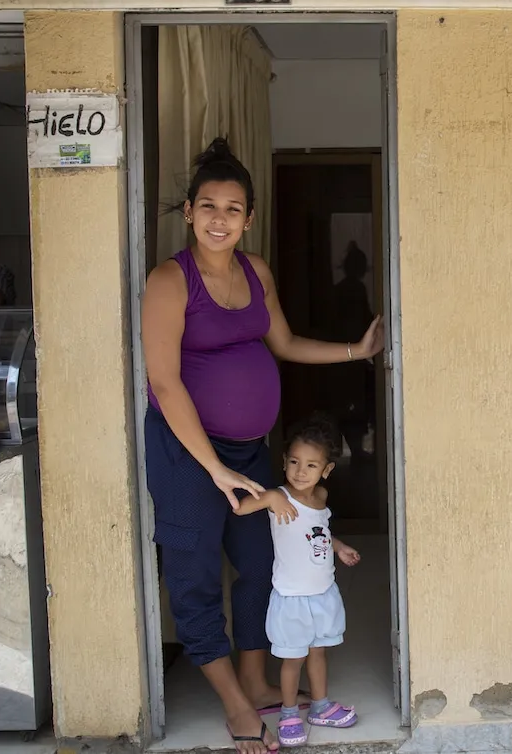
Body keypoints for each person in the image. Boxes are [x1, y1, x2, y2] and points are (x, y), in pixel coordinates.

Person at [141, 137, 383, 754]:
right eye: (207, 206)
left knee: (260, 567)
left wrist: (358, 351)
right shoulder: (170, 281)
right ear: (189, 211)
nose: (219, 219)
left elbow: (285, 343)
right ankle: (232, 701)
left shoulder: (257, 272)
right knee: (194, 574)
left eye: (233, 208)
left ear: (249, 217)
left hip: (250, 450)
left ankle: (254, 675)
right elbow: (165, 384)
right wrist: (215, 469)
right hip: (187, 453)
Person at [234, 413, 361, 747]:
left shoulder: (320, 498)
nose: (300, 472)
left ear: (327, 470)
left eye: (311, 466)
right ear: (284, 462)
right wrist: (270, 497)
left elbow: (317, 532)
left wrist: (338, 547)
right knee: (293, 660)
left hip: (322, 593)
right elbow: (240, 508)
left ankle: (320, 706)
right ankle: (289, 713)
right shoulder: (279, 497)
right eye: (294, 462)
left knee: (319, 653)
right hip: (291, 597)